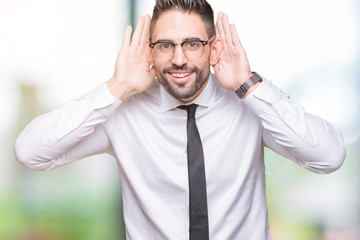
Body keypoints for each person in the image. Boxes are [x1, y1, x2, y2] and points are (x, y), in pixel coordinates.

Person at [14, 0, 346, 239]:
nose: (178, 58)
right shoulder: (122, 114)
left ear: (213, 48)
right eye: (165, 45)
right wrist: (117, 87)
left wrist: (249, 86)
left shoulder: (250, 107)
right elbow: (30, 152)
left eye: (192, 44)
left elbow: (329, 157)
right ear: (149, 51)